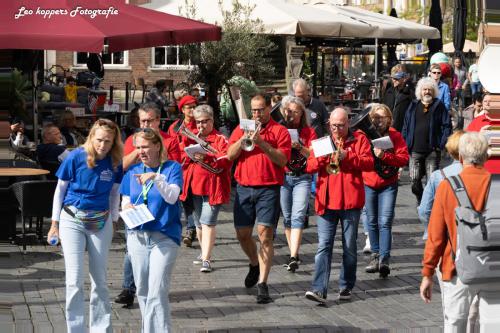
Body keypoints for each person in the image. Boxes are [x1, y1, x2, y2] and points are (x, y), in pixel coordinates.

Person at [46, 119, 123, 332]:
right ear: (91, 137)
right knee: (74, 280)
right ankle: (76, 329)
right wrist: (55, 224)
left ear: (114, 141)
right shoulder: (75, 157)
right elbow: (59, 191)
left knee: (100, 279)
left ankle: (101, 328)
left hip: (101, 220)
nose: (102, 145)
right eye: (99, 140)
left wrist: (115, 220)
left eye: (108, 141)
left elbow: (115, 193)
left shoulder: (116, 161)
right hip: (72, 218)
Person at [420, 132, 500, 331]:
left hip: (456, 269)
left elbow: (436, 236)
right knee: (493, 325)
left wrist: (427, 273)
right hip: (495, 269)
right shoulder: (498, 184)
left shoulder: (448, 187)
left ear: (461, 157)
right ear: (486, 157)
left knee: (456, 323)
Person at [304, 107, 373, 304]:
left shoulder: (359, 139)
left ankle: (346, 286)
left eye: (341, 125)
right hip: (327, 201)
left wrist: (347, 157)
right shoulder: (322, 141)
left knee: (349, 247)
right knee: (323, 246)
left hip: (350, 202)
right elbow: (309, 167)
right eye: (333, 125)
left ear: (348, 123)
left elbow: (369, 163)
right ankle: (318, 289)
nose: (336, 129)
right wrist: (322, 158)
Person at [227, 94, 291, 304]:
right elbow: (229, 155)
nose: (257, 114)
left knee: (265, 236)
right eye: (253, 110)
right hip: (244, 188)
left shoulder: (280, 131)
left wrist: (262, 143)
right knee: (242, 234)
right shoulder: (242, 127)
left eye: (260, 109)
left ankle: (263, 284)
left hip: (268, 189)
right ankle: (254, 263)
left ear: (269, 108)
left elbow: (282, 161)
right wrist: (241, 140)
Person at [116, 102, 181, 307]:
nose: (145, 124)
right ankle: (129, 288)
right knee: (143, 286)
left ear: (157, 120)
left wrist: (156, 176)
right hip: (138, 228)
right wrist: (140, 149)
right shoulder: (132, 146)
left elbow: (172, 190)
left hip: (163, 232)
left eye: (149, 120)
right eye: (142, 121)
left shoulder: (170, 149)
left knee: (156, 291)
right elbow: (123, 173)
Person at [180, 105, 232, 272]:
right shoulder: (192, 137)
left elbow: (227, 159)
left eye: (204, 122)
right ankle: (204, 254)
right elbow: (181, 158)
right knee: (199, 225)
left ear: (212, 120)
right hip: (194, 185)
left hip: (212, 187)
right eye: (198, 122)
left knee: (208, 223)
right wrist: (189, 155)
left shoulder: (220, 138)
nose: (201, 125)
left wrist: (207, 156)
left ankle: (207, 259)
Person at [362, 104, 409, 278]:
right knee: (372, 221)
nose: (379, 121)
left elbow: (404, 158)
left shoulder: (395, 135)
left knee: (385, 221)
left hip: (388, 184)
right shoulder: (365, 136)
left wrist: (385, 156)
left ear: (389, 119)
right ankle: (375, 256)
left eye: (383, 118)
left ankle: (384, 259)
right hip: (369, 182)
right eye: (376, 118)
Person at [279, 96, 317, 272]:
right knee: (287, 217)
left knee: (298, 215)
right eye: (289, 111)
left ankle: (294, 255)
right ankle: (293, 252)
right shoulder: (280, 129)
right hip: (284, 177)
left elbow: (314, 155)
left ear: (302, 113)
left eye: (296, 111)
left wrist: (300, 146)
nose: (292, 114)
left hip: (302, 177)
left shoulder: (309, 132)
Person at [402, 77, 452, 205]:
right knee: (414, 180)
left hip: (432, 151)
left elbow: (447, 125)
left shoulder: (438, 105)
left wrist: (441, 144)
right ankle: (421, 198)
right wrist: (405, 142)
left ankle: (427, 205)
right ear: (420, 91)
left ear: (434, 91)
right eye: (424, 89)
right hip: (414, 150)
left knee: (432, 181)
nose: (427, 92)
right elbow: (406, 126)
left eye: (430, 89)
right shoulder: (413, 105)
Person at [418, 130, 464, 240]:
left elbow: (424, 210)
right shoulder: (484, 175)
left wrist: (431, 230)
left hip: (445, 232)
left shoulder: (438, 176)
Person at [168, 95, 198, 247]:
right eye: (189, 107)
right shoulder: (174, 127)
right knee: (181, 200)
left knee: (191, 200)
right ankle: (187, 228)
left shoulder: (200, 125)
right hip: (179, 168)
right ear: (183, 110)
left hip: (195, 168)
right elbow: (170, 147)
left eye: (194, 106)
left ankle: (191, 229)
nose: (192, 110)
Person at [466, 93, 500, 174]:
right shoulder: (476, 121)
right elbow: (467, 145)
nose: (488, 103)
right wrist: (479, 136)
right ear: (482, 104)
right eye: (485, 101)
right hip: (482, 169)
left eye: (491, 101)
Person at [383, 67, 414, 132]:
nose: (394, 80)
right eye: (392, 78)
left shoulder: (410, 94)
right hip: (388, 129)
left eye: (396, 78)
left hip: (402, 129)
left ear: (404, 79)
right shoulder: (389, 92)